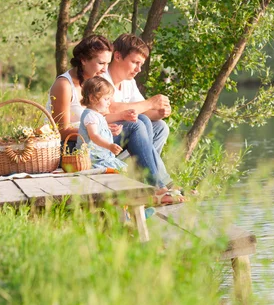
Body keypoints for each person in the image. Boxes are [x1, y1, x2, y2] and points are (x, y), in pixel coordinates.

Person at [47, 34, 184, 204]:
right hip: (72, 147)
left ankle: (148, 185)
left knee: (144, 121)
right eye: (101, 63)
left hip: (94, 139)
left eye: (107, 63)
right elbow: (60, 131)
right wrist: (98, 130)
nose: (105, 69)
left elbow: (103, 115)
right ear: (83, 60)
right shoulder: (64, 85)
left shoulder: (95, 82)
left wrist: (107, 124)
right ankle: (157, 188)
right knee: (135, 126)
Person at [103, 33, 171, 155]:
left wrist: (159, 113)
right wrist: (150, 103)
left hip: (121, 137)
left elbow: (144, 110)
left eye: (141, 65)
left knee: (161, 127)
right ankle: (150, 170)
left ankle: (143, 169)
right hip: (104, 138)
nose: (138, 69)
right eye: (135, 62)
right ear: (117, 56)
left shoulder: (129, 82)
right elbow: (111, 108)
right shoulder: (101, 78)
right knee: (140, 122)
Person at [77, 77, 127, 171]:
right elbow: (94, 136)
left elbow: (99, 132)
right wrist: (109, 146)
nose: (109, 103)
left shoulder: (97, 115)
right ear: (92, 98)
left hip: (101, 156)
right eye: (106, 99)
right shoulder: (90, 116)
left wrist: (109, 132)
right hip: (93, 159)